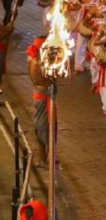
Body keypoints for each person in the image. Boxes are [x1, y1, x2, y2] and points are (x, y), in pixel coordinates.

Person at [27, 37, 53, 167]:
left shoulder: (33, 59)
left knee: (46, 126)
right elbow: (49, 79)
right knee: (43, 127)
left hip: (42, 95)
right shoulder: (39, 62)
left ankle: (47, 157)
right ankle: (42, 159)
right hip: (43, 96)